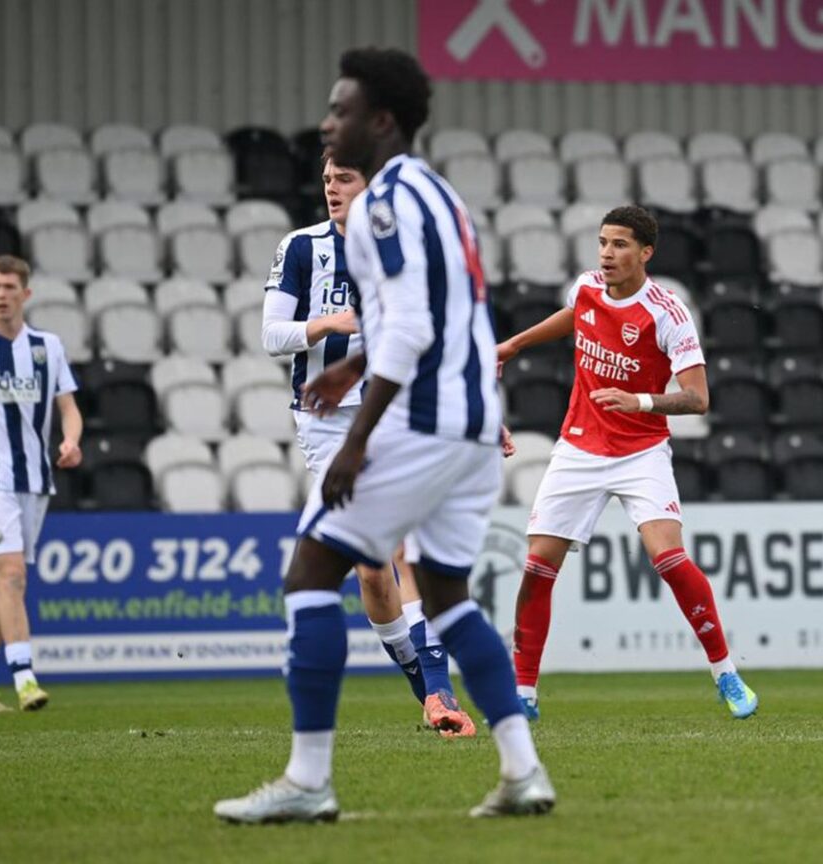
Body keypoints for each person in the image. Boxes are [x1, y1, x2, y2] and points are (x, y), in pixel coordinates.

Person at [214, 47, 552, 824]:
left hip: (420, 422)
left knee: (310, 574)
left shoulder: (384, 205)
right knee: (448, 597)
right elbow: (438, 315)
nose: (327, 124)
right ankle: (523, 771)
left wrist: (358, 436)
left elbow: (412, 329)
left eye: (342, 110)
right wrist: (349, 365)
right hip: (469, 423)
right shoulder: (441, 195)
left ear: (382, 121)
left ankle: (308, 779)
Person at [497, 206, 758, 722]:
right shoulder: (586, 287)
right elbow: (575, 314)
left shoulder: (668, 313)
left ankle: (725, 673)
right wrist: (514, 344)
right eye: (602, 243)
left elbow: (698, 398)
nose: (607, 254)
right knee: (537, 567)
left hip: (641, 451)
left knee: (669, 559)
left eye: (619, 244)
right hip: (579, 447)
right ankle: (523, 695)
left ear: (645, 252)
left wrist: (638, 401)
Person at [261, 153, 474, 737]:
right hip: (327, 422)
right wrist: (331, 323)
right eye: (326, 179)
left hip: (395, 410)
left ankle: (439, 693)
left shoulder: (401, 246)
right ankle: (426, 687)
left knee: (404, 548)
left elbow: (436, 334)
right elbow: (272, 335)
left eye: (344, 179)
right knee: (372, 570)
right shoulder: (301, 247)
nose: (331, 188)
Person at [0, 255, 82, 712]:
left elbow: (68, 407)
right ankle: (25, 679)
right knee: (12, 574)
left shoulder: (48, 346)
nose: (1, 295)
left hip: (36, 480)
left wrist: (71, 440)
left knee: (0, 582)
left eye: (9, 287)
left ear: (25, 294)